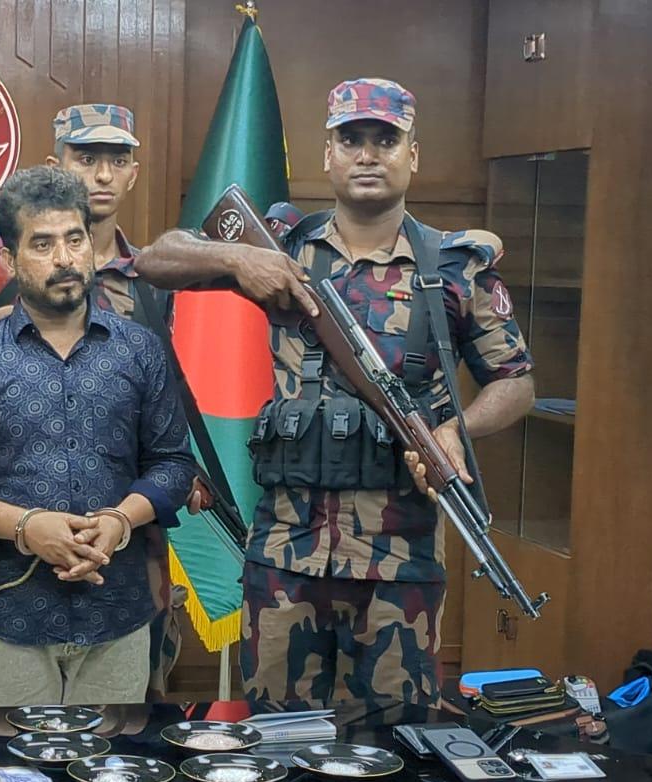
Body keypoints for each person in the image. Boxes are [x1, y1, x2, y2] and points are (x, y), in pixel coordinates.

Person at [135, 78, 536, 714]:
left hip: (399, 561)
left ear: (413, 155)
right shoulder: (284, 246)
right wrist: (239, 261)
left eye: (386, 140)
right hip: (284, 554)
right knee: (276, 738)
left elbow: (515, 381)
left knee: (393, 739)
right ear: (328, 155)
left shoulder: (453, 267)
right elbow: (156, 260)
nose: (368, 154)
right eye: (351, 139)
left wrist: (456, 431)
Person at [0, 104, 194, 702]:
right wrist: (27, 528)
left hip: (120, 610)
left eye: (74, 240)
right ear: (10, 259)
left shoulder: (140, 347)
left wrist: (119, 521)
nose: (63, 258)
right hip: (8, 615)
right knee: (8, 764)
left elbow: (172, 463)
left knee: (114, 761)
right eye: (42, 245)